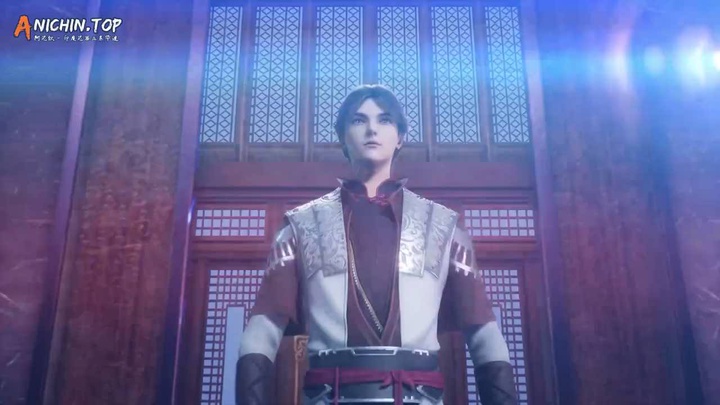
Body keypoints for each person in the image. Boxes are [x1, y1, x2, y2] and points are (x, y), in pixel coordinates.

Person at [236, 84, 517, 405]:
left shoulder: (442, 226)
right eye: (358, 120)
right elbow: (263, 330)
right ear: (342, 137)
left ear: (401, 137)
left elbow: (483, 333)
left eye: (384, 120)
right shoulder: (301, 226)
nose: (372, 129)